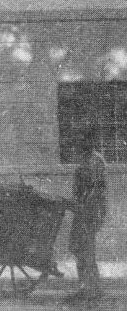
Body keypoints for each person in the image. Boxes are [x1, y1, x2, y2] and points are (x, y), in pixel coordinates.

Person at [68, 129, 108, 302]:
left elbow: (97, 188)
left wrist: (84, 205)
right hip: (81, 210)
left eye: (83, 141)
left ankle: (93, 289)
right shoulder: (84, 159)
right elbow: (77, 187)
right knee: (78, 248)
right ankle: (85, 286)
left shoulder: (96, 160)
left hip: (91, 211)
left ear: (90, 143)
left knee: (87, 250)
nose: (79, 144)